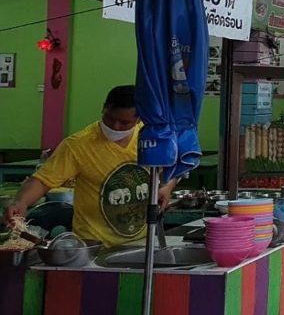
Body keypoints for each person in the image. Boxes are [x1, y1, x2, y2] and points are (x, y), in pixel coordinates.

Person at [4, 85, 176, 248]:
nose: (115, 127)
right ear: (103, 108)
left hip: (140, 242)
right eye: (109, 118)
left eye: (124, 123)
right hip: (92, 246)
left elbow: (174, 167)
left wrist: (167, 187)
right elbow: (42, 181)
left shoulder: (150, 138)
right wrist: (21, 202)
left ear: (139, 118)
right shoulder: (78, 145)